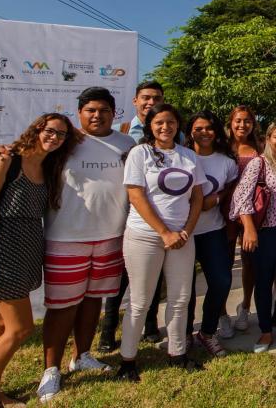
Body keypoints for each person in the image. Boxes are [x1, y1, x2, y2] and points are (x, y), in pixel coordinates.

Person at [0, 113, 79, 408]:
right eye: (50, 131)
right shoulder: (5, 160)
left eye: (62, 134)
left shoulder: (47, 165)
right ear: (37, 129)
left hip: (26, 250)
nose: (55, 137)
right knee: (20, 328)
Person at [37, 88, 135, 402]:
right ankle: (51, 369)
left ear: (114, 113)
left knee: (95, 299)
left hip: (110, 236)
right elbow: (27, 158)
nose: (97, 115)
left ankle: (82, 355)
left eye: (104, 110)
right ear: (79, 113)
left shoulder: (126, 144)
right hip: (66, 237)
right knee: (62, 306)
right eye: (90, 110)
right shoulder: (64, 142)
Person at [117, 104, 206, 381]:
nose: (165, 127)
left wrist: (186, 231)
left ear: (178, 126)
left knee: (180, 299)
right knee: (140, 301)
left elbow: (198, 198)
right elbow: (136, 195)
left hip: (181, 238)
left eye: (170, 122)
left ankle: (177, 353)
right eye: (159, 123)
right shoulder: (139, 153)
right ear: (150, 126)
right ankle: (128, 360)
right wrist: (164, 233)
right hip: (144, 235)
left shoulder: (189, 156)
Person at [231, 120, 276, 365]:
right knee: (263, 281)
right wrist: (250, 229)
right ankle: (265, 330)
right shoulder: (258, 163)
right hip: (266, 231)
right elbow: (241, 197)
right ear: (268, 139)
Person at [102, 80, 166, 350]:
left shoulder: (173, 135)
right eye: (146, 98)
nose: (150, 103)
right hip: (123, 214)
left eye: (156, 98)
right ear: (135, 101)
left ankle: (150, 324)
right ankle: (107, 332)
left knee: (155, 273)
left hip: (160, 217)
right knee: (119, 278)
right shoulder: (119, 133)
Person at [184, 111, 237, 357]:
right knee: (186, 287)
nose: (204, 132)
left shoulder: (226, 161)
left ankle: (206, 332)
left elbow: (231, 188)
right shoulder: (181, 157)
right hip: (183, 231)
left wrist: (217, 198)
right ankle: (184, 334)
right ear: (189, 131)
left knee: (221, 281)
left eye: (209, 128)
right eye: (198, 128)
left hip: (212, 230)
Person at [226, 105, 262, 332]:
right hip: (225, 212)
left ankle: (245, 307)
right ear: (231, 122)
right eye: (238, 121)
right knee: (224, 263)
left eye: (247, 121)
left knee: (250, 262)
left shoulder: (259, 147)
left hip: (252, 212)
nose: (242, 125)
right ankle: (221, 313)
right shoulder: (221, 147)